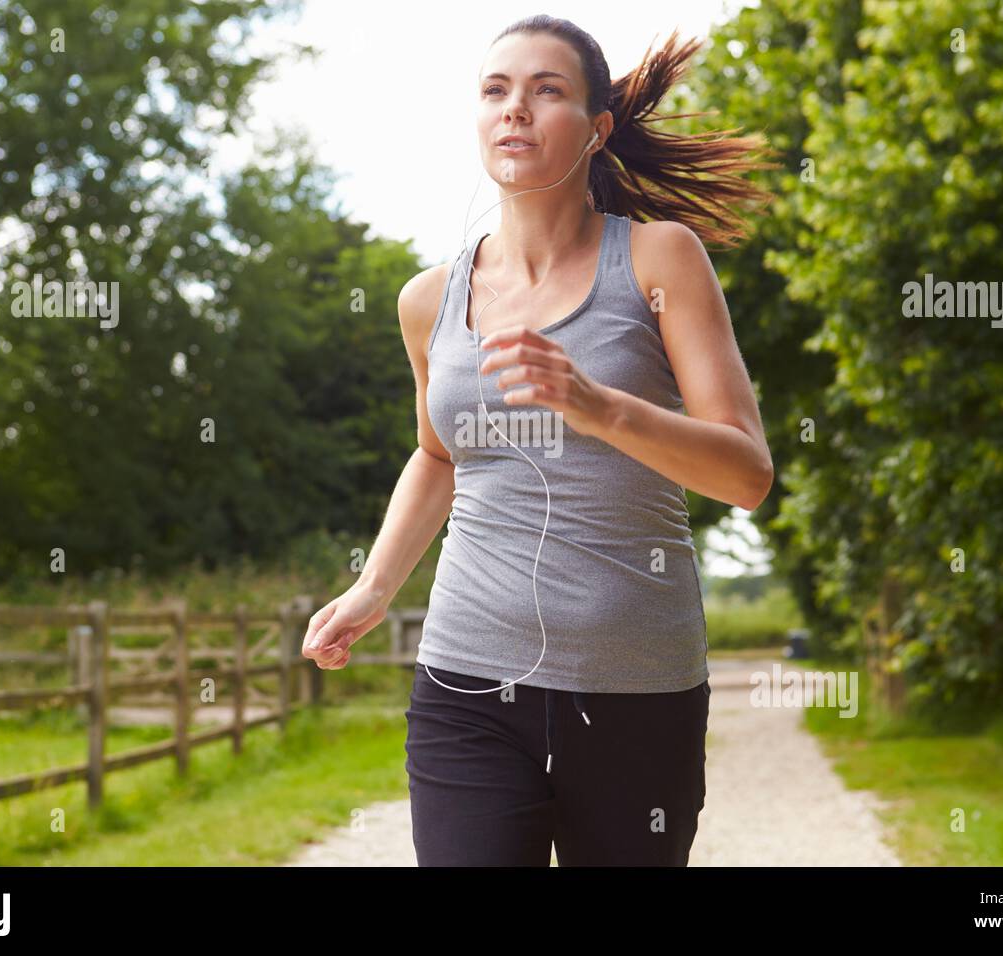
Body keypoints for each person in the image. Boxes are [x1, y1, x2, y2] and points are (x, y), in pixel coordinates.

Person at [303, 15, 776, 866]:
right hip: (468, 683)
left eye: (546, 90)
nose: (515, 108)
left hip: (638, 691)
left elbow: (744, 474)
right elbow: (439, 455)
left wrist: (600, 408)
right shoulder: (428, 299)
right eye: (496, 90)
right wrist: (374, 588)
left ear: (596, 130)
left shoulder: (660, 261)